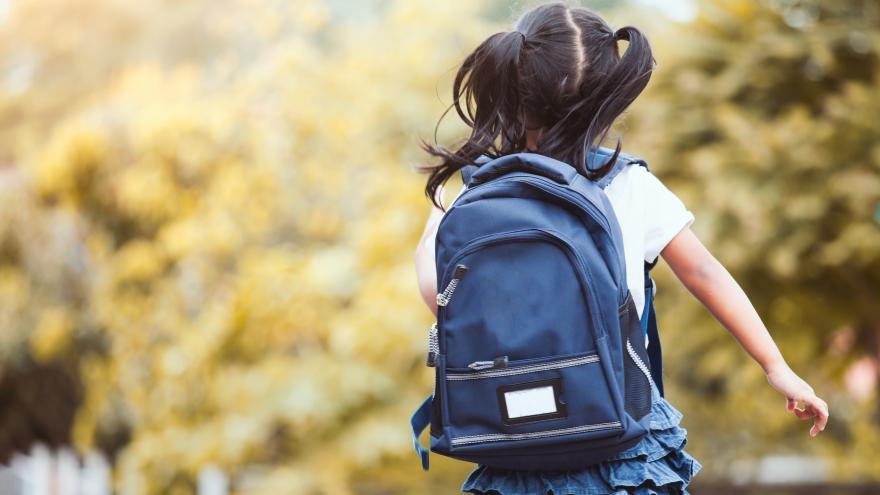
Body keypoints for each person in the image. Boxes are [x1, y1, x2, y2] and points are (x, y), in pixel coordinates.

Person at [412, 2, 829, 494]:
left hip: (508, 441)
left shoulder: (475, 192)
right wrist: (776, 367)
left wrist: (444, 209)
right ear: (607, 99)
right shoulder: (628, 183)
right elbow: (705, 274)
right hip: (620, 440)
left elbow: (434, 291)